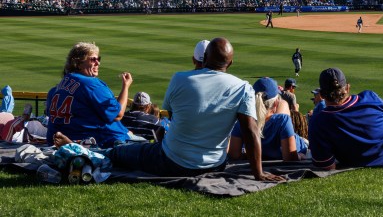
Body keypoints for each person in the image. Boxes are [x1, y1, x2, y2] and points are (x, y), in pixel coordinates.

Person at [99, 37, 283, 181]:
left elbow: (172, 117)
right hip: (215, 165)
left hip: (172, 161)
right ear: (230, 63)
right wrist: (258, 173)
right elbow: (251, 132)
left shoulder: (179, 78)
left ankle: (96, 153)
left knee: (122, 152)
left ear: (205, 58)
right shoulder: (243, 87)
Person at [45, 42, 134, 148]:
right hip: (103, 143)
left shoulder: (57, 88)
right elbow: (118, 115)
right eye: (93, 59)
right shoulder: (91, 84)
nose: (98, 63)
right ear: (78, 63)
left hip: (61, 141)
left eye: (98, 59)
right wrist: (125, 87)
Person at [229, 77, 308, 161]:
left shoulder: (243, 120)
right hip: (302, 148)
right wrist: (300, 156)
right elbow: (290, 157)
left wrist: (253, 156)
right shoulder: (283, 120)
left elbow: (234, 155)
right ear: (276, 103)